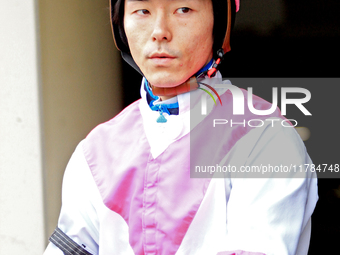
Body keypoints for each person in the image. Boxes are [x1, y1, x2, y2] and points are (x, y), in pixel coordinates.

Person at [44, 0, 318, 254]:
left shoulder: (264, 137)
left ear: (220, 24)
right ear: (120, 28)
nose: (160, 31)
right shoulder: (94, 151)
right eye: (143, 10)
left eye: (183, 9)